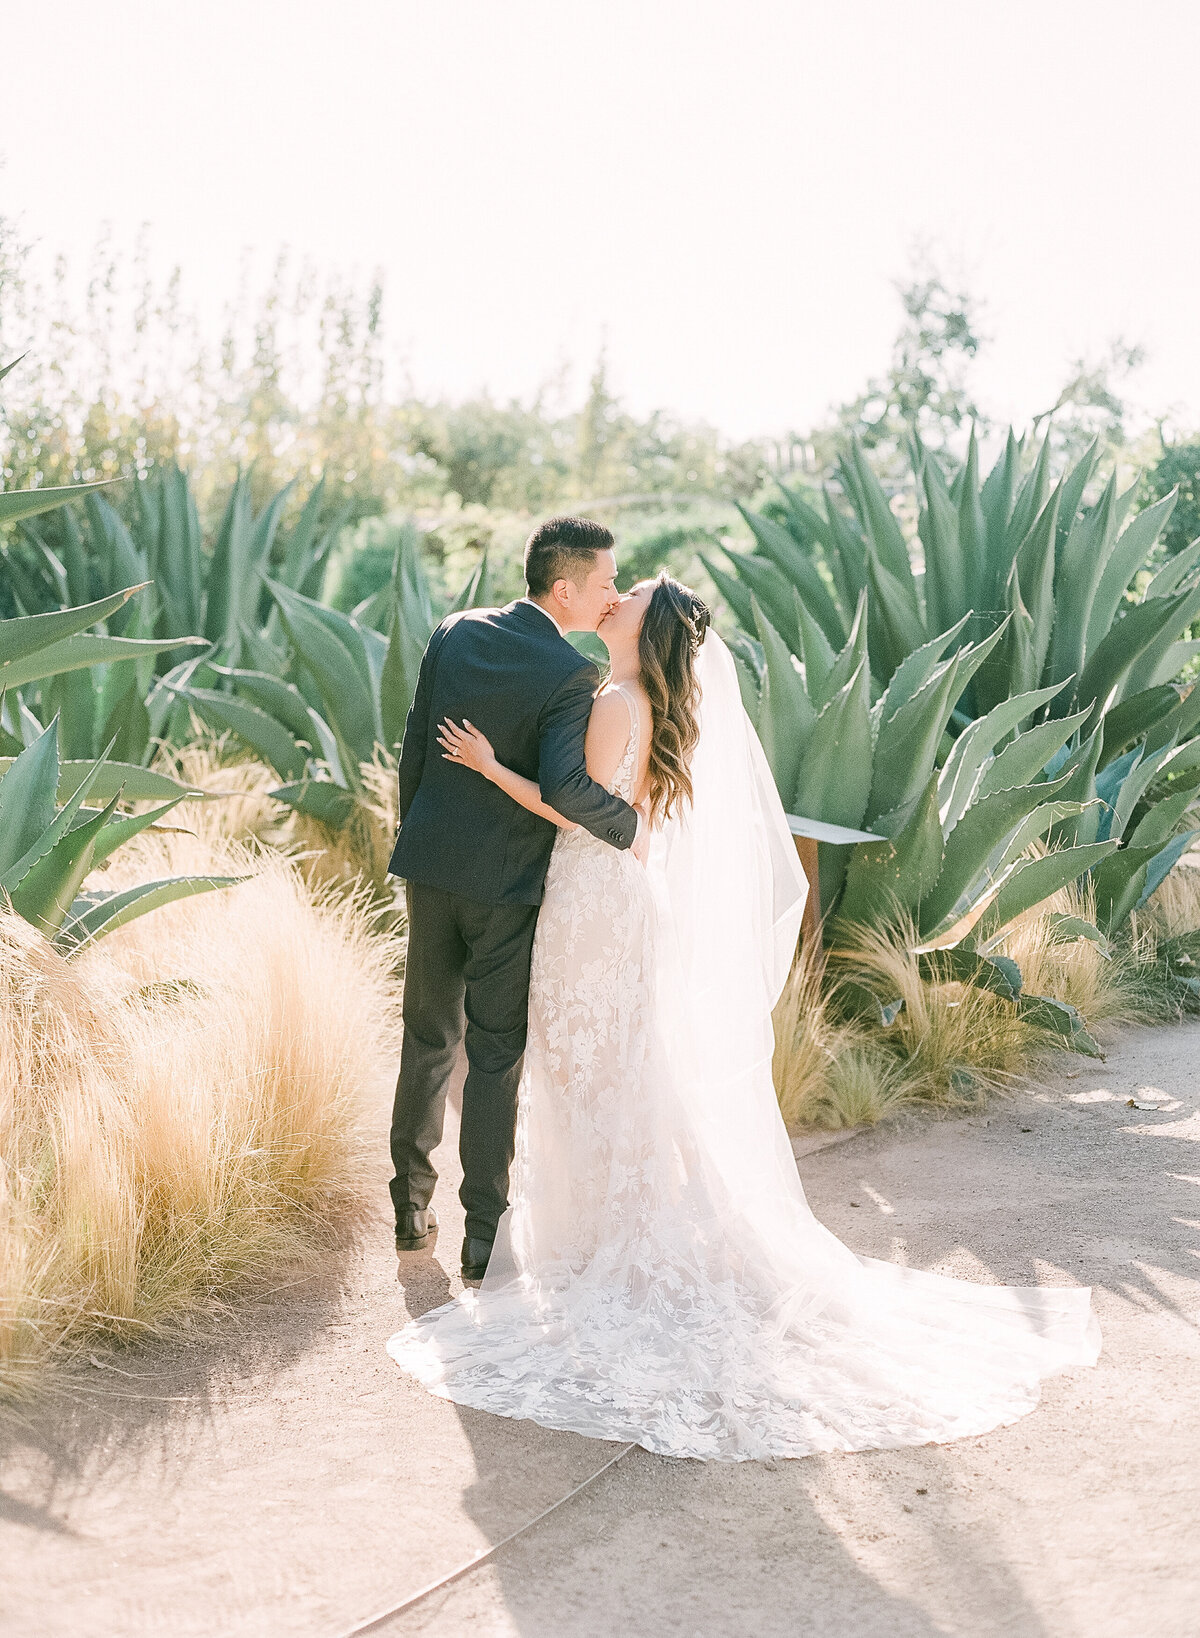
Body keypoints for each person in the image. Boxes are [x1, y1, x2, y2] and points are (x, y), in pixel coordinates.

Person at [387, 568, 1101, 1463]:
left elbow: (576, 808)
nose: (616, 599)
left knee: (581, 1074)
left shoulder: (611, 698)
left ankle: (593, 1238)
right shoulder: (645, 704)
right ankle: (603, 1230)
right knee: (614, 1071)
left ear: (649, 631)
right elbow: (637, 821)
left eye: (632, 597)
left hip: (590, 906)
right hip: (617, 902)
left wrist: (492, 767)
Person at [387, 516, 640, 1287]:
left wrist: (418, 844)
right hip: (507, 889)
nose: (613, 595)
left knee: (427, 1037)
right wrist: (627, 825)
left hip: (432, 869)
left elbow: (413, 750)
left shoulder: (454, 630)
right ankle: (481, 1237)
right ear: (564, 587)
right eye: (604, 582)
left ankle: (408, 1206)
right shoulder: (570, 674)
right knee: (495, 1055)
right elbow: (567, 789)